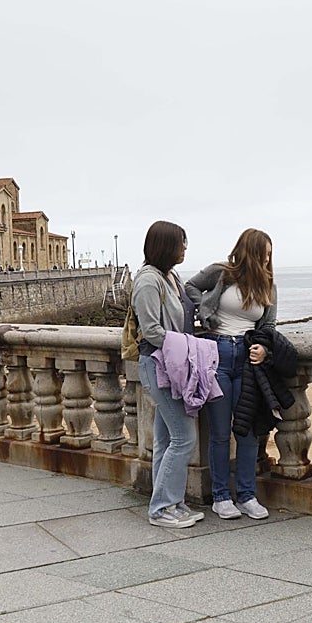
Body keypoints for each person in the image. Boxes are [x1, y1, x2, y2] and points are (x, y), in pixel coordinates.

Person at [185, 228, 277, 520]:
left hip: (249, 361)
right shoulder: (220, 273)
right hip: (217, 354)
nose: (267, 259)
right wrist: (205, 312)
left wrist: (263, 348)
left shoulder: (269, 285)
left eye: (270, 254)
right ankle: (222, 496)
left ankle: (248, 495)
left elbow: (269, 328)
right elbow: (190, 287)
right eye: (264, 252)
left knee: (248, 430)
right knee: (220, 431)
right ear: (250, 251)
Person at [133, 220, 203, 528]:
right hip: (159, 365)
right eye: (181, 242)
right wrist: (187, 347)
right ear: (166, 246)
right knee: (184, 437)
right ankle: (161, 508)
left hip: (174, 365)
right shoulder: (149, 281)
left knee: (165, 439)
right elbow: (150, 331)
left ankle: (171, 502)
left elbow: (190, 309)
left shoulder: (171, 276)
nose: (185, 248)